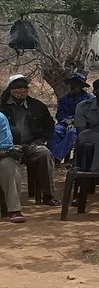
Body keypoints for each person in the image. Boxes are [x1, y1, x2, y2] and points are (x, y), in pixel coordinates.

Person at [0, 75, 60, 206]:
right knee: (6, 164)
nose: (21, 90)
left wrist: (42, 139)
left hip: (31, 145)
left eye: (24, 87)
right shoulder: (2, 107)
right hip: (7, 148)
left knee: (45, 154)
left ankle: (48, 196)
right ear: (11, 89)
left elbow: (49, 125)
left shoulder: (37, 106)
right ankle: (8, 201)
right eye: (18, 87)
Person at [49, 72, 93, 162]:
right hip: (64, 124)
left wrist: (74, 122)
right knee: (54, 131)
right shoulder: (64, 99)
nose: (73, 86)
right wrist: (67, 121)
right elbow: (59, 115)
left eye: (76, 84)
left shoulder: (89, 100)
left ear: (81, 85)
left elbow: (89, 116)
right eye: (72, 84)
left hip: (81, 126)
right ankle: (50, 157)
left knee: (72, 133)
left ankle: (55, 158)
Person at [0, 111, 27, 223]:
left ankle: (14, 209)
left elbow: (5, 147)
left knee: (8, 164)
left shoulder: (0, 118)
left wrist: (7, 153)